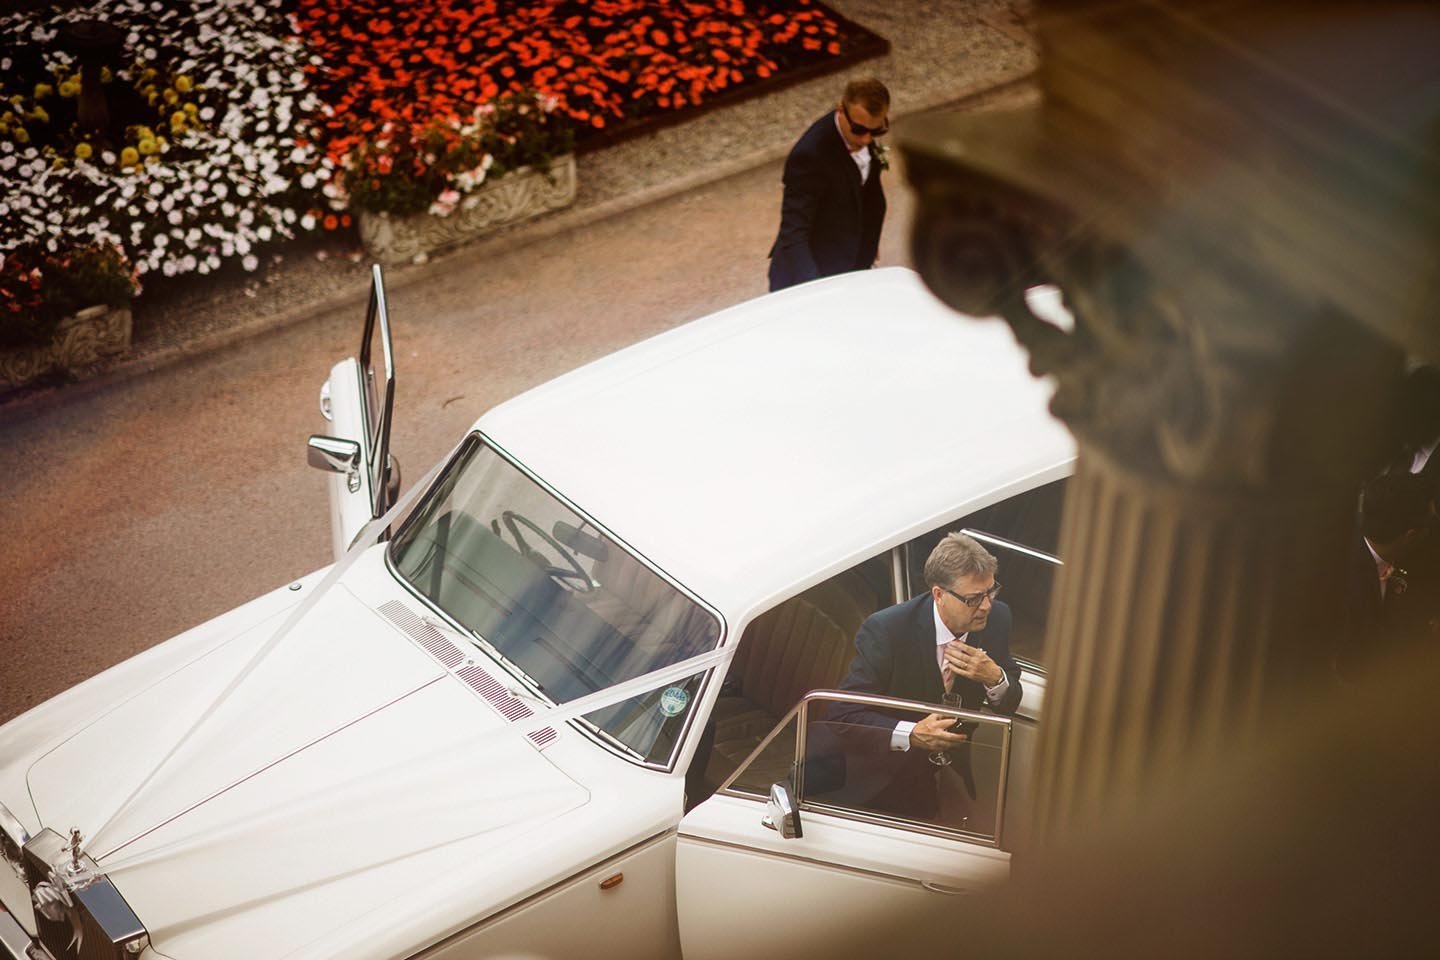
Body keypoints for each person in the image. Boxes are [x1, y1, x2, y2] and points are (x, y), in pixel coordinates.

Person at [824, 533, 1023, 821]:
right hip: (882, 778)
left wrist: (994, 678)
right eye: (974, 598)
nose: (987, 606)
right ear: (939, 594)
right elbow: (841, 715)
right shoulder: (887, 631)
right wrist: (912, 734)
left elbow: (1009, 698)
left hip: (951, 773)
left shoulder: (998, 619)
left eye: (991, 592)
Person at [767, 78, 890, 292]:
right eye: (859, 130)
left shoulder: (861, 134)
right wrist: (817, 290)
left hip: (852, 265)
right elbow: (794, 232)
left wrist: (868, 240)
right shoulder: (809, 156)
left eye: (876, 131)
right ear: (841, 109)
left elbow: (866, 193)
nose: (866, 141)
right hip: (810, 277)